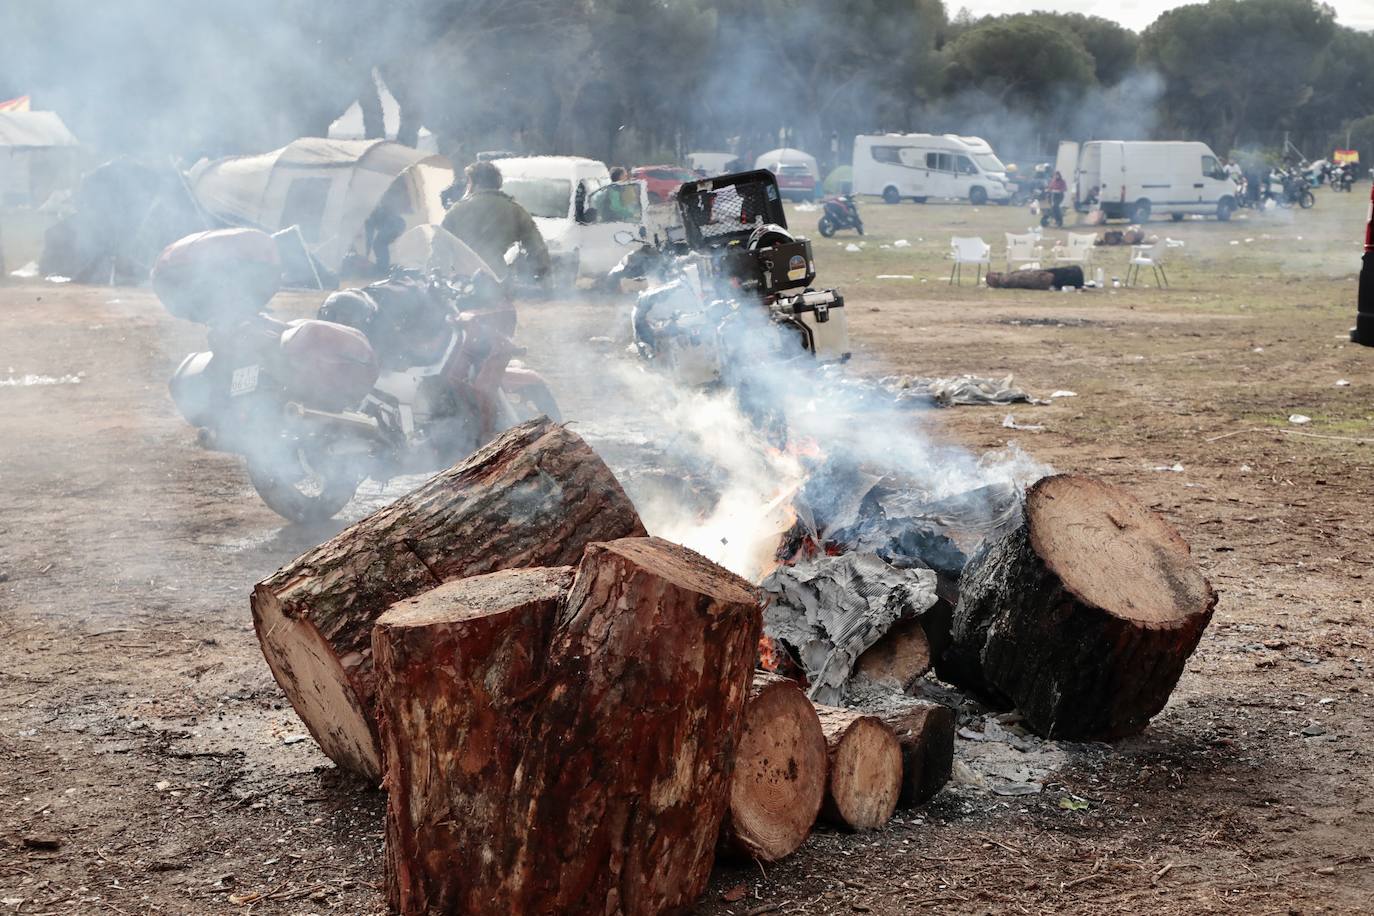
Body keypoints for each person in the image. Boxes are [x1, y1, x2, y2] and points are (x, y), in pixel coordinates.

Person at [440, 160, 550, 280]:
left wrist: (440, 273)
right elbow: (537, 248)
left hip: (463, 281)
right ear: (497, 183)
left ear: (472, 183)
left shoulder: (457, 210)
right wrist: (541, 272)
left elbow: (439, 244)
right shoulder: (515, 210)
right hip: (498, 278)